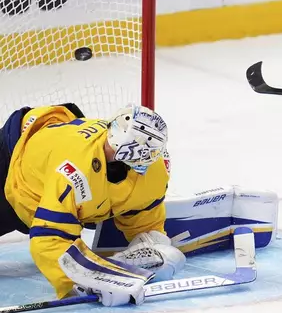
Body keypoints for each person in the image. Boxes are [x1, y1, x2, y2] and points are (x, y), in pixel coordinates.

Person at [0, 103, 185, 306]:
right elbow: (49, 238)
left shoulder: (154, 171)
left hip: (58, 139)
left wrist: (152, 244)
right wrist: (79, 282)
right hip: (14, 161)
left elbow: (144, 221)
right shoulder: (75, 169)